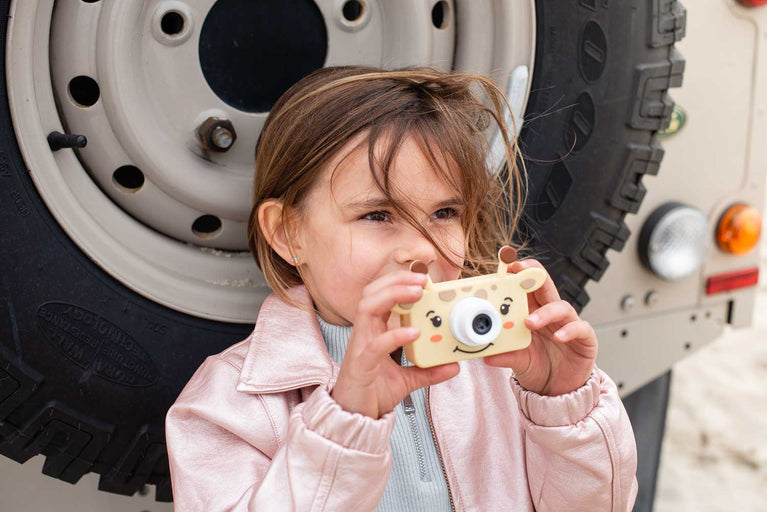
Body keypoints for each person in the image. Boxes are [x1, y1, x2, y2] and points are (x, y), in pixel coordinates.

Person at [165, 66, 638, 511]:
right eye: (377, 215)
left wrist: (564, 405)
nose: (421, 249)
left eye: (445, 213)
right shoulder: (224, 406)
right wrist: (346, 420)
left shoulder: (505, 370)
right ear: (288, 233)